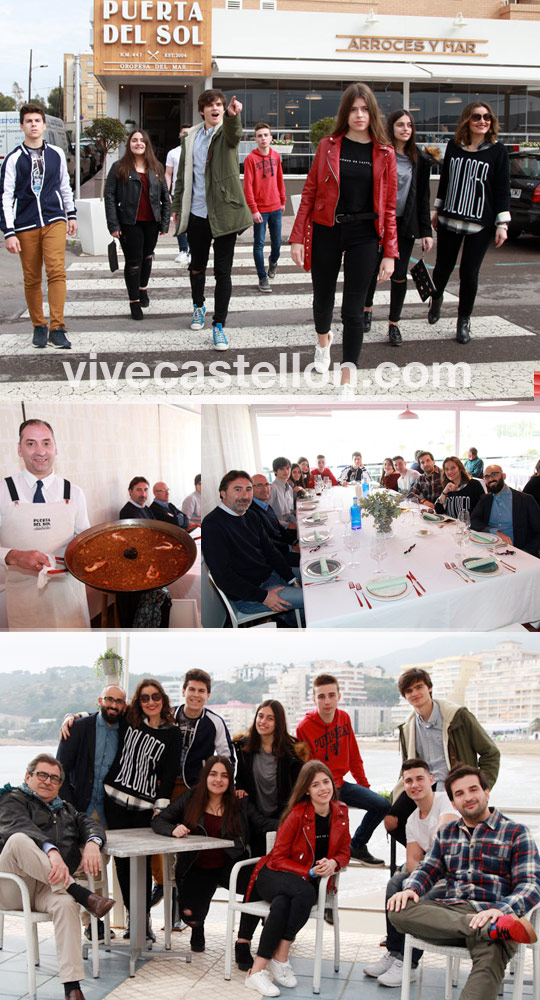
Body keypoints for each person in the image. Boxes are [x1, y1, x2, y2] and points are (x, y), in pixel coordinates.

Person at [388, 765, 540, 1000]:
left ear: (486, 792)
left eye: (473, 790)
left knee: (492, 953)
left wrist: (499, 911)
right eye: (459, 794)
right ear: (453, 802)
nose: (467, 797)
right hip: (453, 913)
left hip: (495, 912)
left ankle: (492, 929)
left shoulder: (515, 832)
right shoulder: (447, 832)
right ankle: (488, 932)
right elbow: (428, 867)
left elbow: (530, 885)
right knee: (398, 910)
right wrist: (411, 888)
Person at [290, 82, 398, 398]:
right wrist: (297, 237)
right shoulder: (329, 145)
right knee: (322, 299)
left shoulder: (385, 152)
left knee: (354, 310)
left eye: (365, 109)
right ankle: (323, 342)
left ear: (372, 113)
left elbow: (389, 207)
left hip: (365, 236)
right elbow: (310, 191)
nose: (359, 115)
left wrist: (390, 252)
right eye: (353, 109)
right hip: (327, 230)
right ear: (345, 113)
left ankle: (347, 375)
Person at [0, 753, 114, 1000]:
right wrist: (51, 851)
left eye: (54, 778)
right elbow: (17, 826)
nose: (47, 781)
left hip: (48, 887)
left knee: (65, 904)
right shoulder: (11, 799)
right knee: (19, 839)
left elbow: (91, 826)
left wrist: (93, 843)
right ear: (28, 776)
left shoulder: (67, 810)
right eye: (41, 775)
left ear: (60, 784)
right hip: (12, 885)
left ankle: (72, 988)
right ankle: (83, 895)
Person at [244, 761, 350, 997]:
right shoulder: (297, 814)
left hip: (297, 887)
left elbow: (345, 851)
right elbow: (278, 858)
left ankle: (256, 972)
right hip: (273, 875)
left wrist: (334, 863)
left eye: (326, 782)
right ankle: (281, 957)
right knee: (305, 893)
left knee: (283, 904)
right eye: (315, 784)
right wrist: (309, 872)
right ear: (306, 790)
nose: (323, 788)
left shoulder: (341, 811)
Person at [363, 758, 458, 988]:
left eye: (419, 779)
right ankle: (395, 952)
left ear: (431, 780)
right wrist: (420, 881)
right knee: (396, 882)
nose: (414, 785)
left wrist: (424, 882)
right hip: (434, 875)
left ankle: (409, 964)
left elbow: (441, 833)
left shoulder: (447, 801)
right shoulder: (413, 820)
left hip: (456, 878)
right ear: (404, 786)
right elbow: (413, 860)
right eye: (408, 781)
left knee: (416, 899)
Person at [171, 89, 253, 351]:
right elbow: (183, 176)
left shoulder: (226, 134)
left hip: (224, 214)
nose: (216, 108)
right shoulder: (191, 138)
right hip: (197, 213)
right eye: (211, 105)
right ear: (201, 111)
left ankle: (219, 325)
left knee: (223, 272)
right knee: (197, 266)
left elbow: (234, 134)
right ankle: (198, 307)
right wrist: (176, 206)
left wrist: (232, 116)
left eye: (219, 105)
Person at [384, 667, 500, 847]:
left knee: (442, 830)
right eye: (409, 691)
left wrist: (482, 787)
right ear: (404, 696)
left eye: (419, 687)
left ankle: (437, 860)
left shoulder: (458, 717)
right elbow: (408, 766)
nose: (415, 693)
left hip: (452, 786)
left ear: (429, 688)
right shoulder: (408, 727)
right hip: (425, 784)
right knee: (391, 821)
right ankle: (426, 858)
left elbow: (490, 753)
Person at [233, 700, 309, 971]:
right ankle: (243, 942)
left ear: (278, 723)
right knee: (255, 877)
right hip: (254, 826)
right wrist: (239, 790)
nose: (262, 721)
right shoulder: (243, 749)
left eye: (269, 718)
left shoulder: (292, 753)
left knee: (276, 881)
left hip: (284, 827)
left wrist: (281, 827)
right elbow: (240, 783)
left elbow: (297, 795)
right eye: (259, 716)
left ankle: (267, 940)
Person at [103, 678, 182, 940]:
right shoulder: (129, 720)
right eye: (145, 697)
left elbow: (169, 776)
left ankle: (144, 918)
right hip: (113, 801)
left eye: (155, 696)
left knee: (144, 863)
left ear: (163, 699)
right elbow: (101, 714)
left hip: (143, 807)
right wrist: (72, 716)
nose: (150, 702)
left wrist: (161, 808)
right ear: (138, 702)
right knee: (122, 863)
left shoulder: (172, 734)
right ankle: (131, 918)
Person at [428, 101, 511, 344]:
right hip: (450, 217)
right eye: (477, 117)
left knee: (469, 272)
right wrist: (437, 209)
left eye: (487, 117)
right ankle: (438, 296)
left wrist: (502, 224)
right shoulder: (453, 146)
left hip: (480, 223)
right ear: (467, 120)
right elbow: (445, 180)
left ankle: (463, 320)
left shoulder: (498, 151)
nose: (483, 121)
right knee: (443, 266)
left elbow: (502, 189)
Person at [152, 756, 249, 953]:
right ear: (205, 777)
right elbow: (160, 820)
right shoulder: (191, 797)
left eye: (224, 776)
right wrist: (173, 829)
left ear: (230, 780)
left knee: (259, 885)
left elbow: (261, 824)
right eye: (213, 774)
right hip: (196, 864)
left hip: (228, 864)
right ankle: (198, 927)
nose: (218, 780)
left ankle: (243, 941)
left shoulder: (238, 802)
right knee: (191, 916)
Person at [0, 418, 90, 630]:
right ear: (20, 450)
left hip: (69, 598)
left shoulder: (74, 492)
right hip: (24, 599)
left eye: (46, 443)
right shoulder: (3, 491)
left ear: (55, 449)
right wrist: (13, 556)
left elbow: (86, 543)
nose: (40, 451)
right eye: (31, 443)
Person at [0, 103, 76, 349]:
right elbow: (5, 196)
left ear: (43, 125)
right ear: (22, 126)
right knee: (32, 278)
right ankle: (39, 325)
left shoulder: (55, 153)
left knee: (56, 271)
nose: (33, 124)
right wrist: (8, 232)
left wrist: (71, 214)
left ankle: (57, 328)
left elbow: (65, 185)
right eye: (29, 121)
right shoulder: (13, 159)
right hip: (25, 224)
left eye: (37, 120)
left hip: (54, 219)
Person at [56, 684, 127, 941]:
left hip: (108, 813)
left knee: (96, 867)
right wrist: (70, 810)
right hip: (78, 809)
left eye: (119, 701)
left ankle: (93, 922)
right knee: (81, 868)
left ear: (124, 706)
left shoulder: (127, 731)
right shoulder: (79, 727)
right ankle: (90, 924)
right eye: (109, 699)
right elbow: (60, 771)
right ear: (100, 700)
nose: (114, 705)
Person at [297, 673, 389, 866]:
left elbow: (354, 756)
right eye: (321, 696)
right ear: (314, 699)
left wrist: (364, 786)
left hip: (342, 785)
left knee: (382, 804)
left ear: (339, 696)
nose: (327, 701)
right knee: (331, 840)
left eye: (331, 695)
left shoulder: (344, 718)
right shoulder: (304, 727)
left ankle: (357, 845)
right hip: (321, 789)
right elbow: (307, 769)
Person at [364, 109, 433, 346]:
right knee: (373, 268)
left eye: (410, 125)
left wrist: (426, 231)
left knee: (400, 275)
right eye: (401, 125)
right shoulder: (381, 153)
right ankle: (367, 308)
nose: (406, 129)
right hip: (379, 222)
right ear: (391, 127)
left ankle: (394, 323)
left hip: (405, 224)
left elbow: (423, 197)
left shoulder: (420, 160)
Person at [201, 470, 304, 625]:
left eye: (248, 490)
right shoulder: (212, 525)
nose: (245, 495)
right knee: (314, 598)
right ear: (223, 493)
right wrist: (264, 596)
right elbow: (224, 577)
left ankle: (292, 621)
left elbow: (271, 552)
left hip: (271, 576)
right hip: (249, 596)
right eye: (237, 490)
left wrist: (290, 578)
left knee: (319, 578)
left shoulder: (251, 515)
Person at [104, 129, 170, 321]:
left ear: (147, 144)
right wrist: (113, 224)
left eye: (142, 140)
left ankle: (143, 290)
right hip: (129, 222)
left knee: (147, 257)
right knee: (134, 262)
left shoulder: (156, 166)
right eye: (134, 140)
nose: (138, 143)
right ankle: (134, 302)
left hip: (152, 223)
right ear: (129, 144)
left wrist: (164, 223)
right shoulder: (119, 167)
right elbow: (109, 196)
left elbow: (165, 197)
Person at [243, 121, 286, 292]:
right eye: (259, 136)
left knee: (277, 243)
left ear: (271, 138)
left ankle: (273, 261)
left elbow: (280, 179)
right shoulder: (250, 159)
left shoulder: (276, 156)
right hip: (260, 210)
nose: (263, 138)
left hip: (276, 207)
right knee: (259, 244)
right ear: (255, 139)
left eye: (266, 135)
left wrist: (283, 200)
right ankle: (262, 277)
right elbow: (247, 186)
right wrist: (253, 209)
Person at [471, 464, 540, 555]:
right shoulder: (485, 499)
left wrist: (526, 552)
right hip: (488, 550)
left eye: (494, 474)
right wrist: (495, 531)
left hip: (517, 551)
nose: (491, 479)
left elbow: (538, 531)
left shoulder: (525, 500)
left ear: (504, 476)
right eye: (487, 477)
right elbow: (473, 520)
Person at [251, 475, 299, 567]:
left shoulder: (265, 505)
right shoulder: (252, 513)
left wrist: (295, 542)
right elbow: (267, 543)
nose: (265, 489)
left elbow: (279, 527)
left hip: (282, 545)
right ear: (250, 489)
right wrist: (291, 548)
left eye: (266, 485)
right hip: (275, 555)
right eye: (259, 485)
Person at [165, 125, 191, 265]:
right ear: (179, 135)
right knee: (179, 222)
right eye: (184, 133)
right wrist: (167, 192)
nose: (186, 135)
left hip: (194, 194)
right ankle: (183, 250)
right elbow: (168, 174)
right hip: (177, 193)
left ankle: (192, 251)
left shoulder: (196, 151)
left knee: (193, 223)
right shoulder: (173, 153)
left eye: (189, 133)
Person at [269, 458, 296, 527]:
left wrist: (297, 523)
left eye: (288, 468)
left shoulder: (289, 488)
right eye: (281, 469)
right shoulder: (273, 488)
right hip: (278, 528)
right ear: (275, 471)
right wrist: (289, 526)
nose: (286, 471)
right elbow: (268, 516)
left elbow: (290, 513)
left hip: (289, 523)